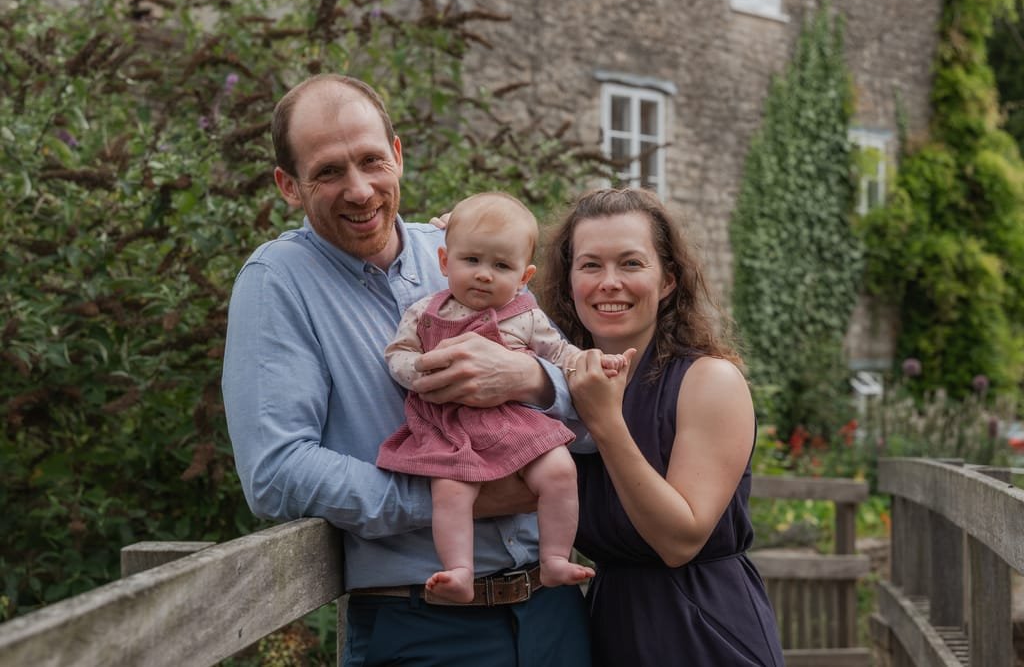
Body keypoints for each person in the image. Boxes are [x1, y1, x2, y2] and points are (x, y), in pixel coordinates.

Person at [221, 74, 591, 666]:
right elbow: (276, 470)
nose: (360, 190)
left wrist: (530, 380)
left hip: (553, 613)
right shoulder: (277, 283)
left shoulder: (468, 254)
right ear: (289, 186)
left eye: (371, 161)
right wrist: (452, 498)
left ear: (398, 155)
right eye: (328, 172)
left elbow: (590, 402)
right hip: (422, 626)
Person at [540, 187, 785, 666]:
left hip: (702, 628)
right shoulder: (558, 385)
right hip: (609, 625)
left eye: (631, 263)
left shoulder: (709, 381)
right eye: (590, 265)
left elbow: (679, 541)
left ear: (668, 280)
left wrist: (605, 422)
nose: (609, 282)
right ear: (569, 280)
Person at [377, 191, 624, 603]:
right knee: (451, 489)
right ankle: (459, 568)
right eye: (471, 261)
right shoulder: (425, 312)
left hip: (515, 421)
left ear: (524, 277)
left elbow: (561, 354)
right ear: (444, 262)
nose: (484, 275)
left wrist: (592, 361)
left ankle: (555, 557)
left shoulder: (526, 315)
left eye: (501, 266)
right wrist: (417, 373)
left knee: (561, 470)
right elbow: (398, 353)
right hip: (450, 425)